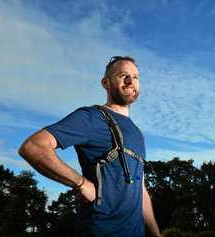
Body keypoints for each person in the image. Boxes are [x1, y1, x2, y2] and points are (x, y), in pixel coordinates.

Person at [18, 56, 162, 237]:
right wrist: (80, 182)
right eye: (123, 75)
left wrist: (156, 234)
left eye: (135, 77)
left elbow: (140, 189)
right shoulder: (92, 117)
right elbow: (34, 146)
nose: (130, 81)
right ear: (105, 83)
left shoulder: (137, 133)